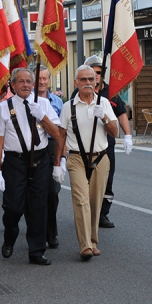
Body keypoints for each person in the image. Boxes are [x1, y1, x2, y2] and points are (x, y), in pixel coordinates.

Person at [0, 67, 62, 266]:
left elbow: (56, 134)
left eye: (28, 81)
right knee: (13, 207)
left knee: (39, 207)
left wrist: (42, 116)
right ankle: (10, 236)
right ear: (12, 85)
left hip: (39, 161)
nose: (25, 85)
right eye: (20, 82)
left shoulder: (44, 104)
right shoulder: (4, 108)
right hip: (15, 162)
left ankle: (36, 251)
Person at [58, 65, 118, 260]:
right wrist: (58, 162)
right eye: (83, 80)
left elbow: (115, 132)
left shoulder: (104, 103)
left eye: (91, 79)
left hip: (100, 158)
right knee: (81, 200)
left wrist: (105, 117)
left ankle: (93, 241)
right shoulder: (68, 106)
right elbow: (61, 135)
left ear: (96, 82)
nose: (87, 83)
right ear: (76, 82)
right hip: (76, 157)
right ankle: (85, 245)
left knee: (95, 203)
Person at [84, 55, 133, 229]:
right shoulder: (81, 92)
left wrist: (127, 135)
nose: (97, 75)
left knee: (107, 180)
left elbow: (121, 114)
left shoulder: (111, 93)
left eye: (99, 72)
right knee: (87, 181)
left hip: (107, 145)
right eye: (94, 72)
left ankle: (103, 214)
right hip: (86, 146)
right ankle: (88, 212)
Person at [37, 65, 64, 248]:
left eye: (45, 78)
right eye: (38, 78)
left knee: (53, 193)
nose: (42, 82)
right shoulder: (26, 100)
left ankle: (51, 233)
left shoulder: (57, 102)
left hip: (52, 145)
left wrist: (61, 159)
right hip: (35, 147)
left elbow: (62, 131)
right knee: (36, 193)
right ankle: (37, 230)